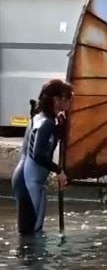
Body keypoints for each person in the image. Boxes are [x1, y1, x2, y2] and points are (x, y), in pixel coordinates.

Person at [11, 79, 73, 236]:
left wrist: (61, 128)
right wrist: (58, 171)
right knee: (29, 234)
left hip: (32, 181)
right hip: (28, 182)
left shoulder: (44, 118)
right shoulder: (45, 123)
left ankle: (35, 259)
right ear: (56, 100)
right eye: (67, 98)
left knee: (35, 230)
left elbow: (47, 143)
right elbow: (37, 154)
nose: (70, 101)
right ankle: (28, 260)